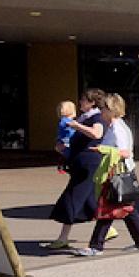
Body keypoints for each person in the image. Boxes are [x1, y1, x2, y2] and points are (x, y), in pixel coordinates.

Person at [73, 94, 139, 256]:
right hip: (117, 172)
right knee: (126, 208)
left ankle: (96, 246)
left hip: (116, 173)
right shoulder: (115, 126)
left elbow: (125, 152)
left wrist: (102, 149)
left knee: (106, 210)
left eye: (103, 108)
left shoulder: (117, 128)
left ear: (111, 110)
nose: (101, 111)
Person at [46, 89, 108, 249]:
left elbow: (96, 134)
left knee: (72, 197)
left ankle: (63, 237)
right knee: (88, 201)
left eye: (83, 99)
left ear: (92, 102)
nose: (80, 102)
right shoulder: (84, 118)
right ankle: (108, 228)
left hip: (88, 164)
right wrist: (63, 148)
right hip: (80, 163)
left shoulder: (96, 117)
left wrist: (77, 126)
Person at [56, 100, 76, 171]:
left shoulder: (63, 121)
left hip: (64, 142)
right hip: (67, 142)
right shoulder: (67, 121)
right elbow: (70, 132)